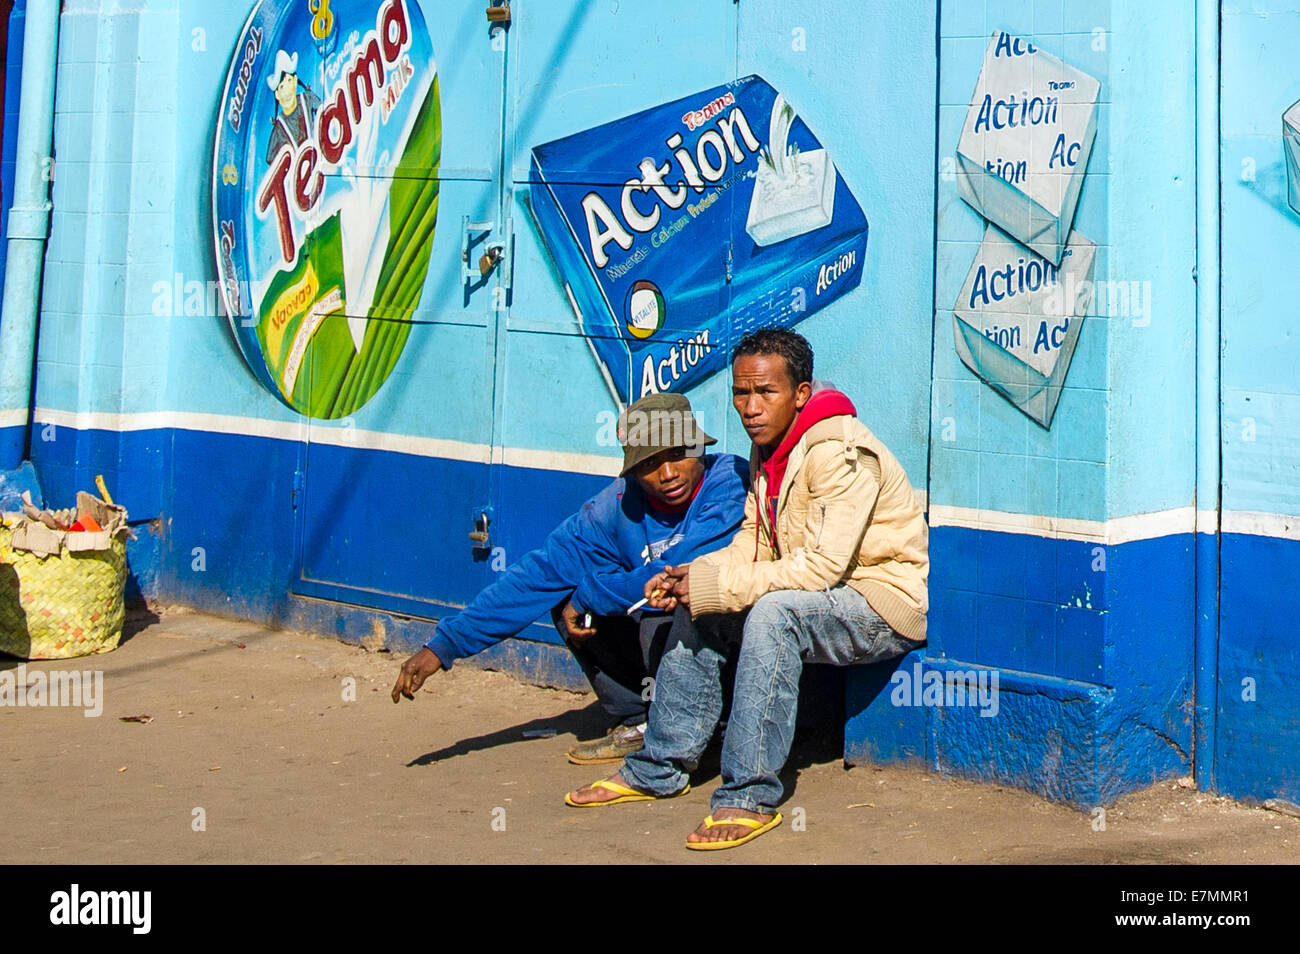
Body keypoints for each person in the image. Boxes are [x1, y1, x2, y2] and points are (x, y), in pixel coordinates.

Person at [566, 327, 929, 850]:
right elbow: (754, 540)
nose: (750, 407)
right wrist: (695, 575)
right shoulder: (772, 449)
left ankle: (747, 793)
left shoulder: (837, 451)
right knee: (705, 608)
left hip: (881, 603)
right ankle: (659, 765)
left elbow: (821, 568)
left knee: (772, 614)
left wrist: (717, 582)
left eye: (766, 392)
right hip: (818, 596)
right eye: (741, 393)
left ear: (800, 394)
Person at [391, 393, 749, 765]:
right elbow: (537, 577)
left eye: (678, 454)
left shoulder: (728, 483)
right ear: (632, 471)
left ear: (699, 447)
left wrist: (592, 592)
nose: (668, 474)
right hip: (668, 645)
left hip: (730, 640)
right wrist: (443, 646)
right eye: (650, 464)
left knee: (662, 607)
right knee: (566, 601)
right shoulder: (615, 508)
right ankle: (642, 718)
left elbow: (676, 572)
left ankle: (713, 727)